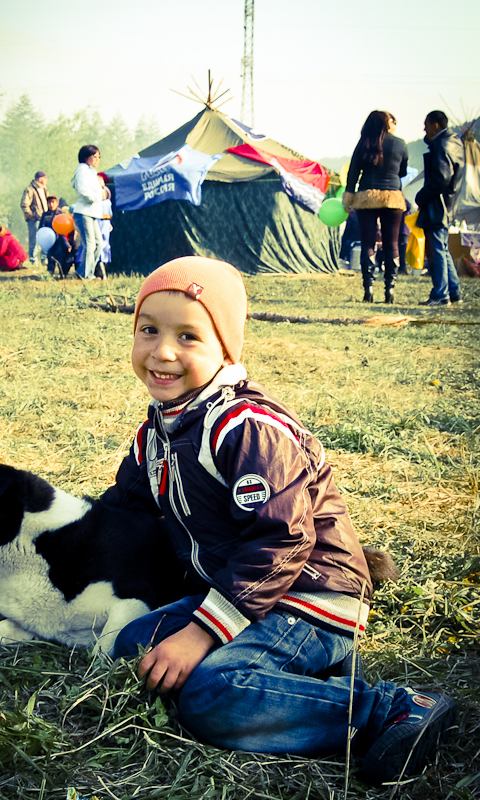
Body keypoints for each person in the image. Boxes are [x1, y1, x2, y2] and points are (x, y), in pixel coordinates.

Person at [104, 256, 458, 786]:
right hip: (240, 590)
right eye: (148, 330)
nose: (163, 351)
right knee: (132, 642)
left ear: (226, 348)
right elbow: (120, 511)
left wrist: (201, 633)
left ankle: (388, 709)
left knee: (211, 695)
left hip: (309, 594)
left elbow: (283, 538)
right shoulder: (157, 433)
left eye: (188, 336)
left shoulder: (246, 427)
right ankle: (309, 674)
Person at [343, 111, 408, 304]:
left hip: (367, 197)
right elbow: (402, 171)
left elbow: (353, 171)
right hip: (393, 197)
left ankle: (368, 290)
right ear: (386, 123)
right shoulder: (400, 144)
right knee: (392, 244)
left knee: (368, 244)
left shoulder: (364, 143)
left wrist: (348, 196)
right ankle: (389, 291)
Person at [415, 111, 465, 306]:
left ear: (435, 125)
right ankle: (453, 292)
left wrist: (421, 196)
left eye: (426, 125)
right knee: (442, 249)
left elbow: (441, 178)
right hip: (449, 203)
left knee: (436, 251)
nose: (424, 129)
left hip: (437, 205)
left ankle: (440, 294)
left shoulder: (441, 144)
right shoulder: (455, 142)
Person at [71, 145, 103, 280]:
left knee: (99, 244)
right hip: (84, 211)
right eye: (94, 157)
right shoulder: (82, 170)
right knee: (90, 244)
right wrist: (95, 198)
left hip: (93, 212)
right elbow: (82, 189)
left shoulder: (91, 171)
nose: (97, 160)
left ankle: (84, 271)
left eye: (99, 157)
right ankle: (86, 275)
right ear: (85, 157)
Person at [39, 196, 75, 277]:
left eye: (53, 202)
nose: (51, 204)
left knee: (60, 257)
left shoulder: (60, 214)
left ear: (57, 203)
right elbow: (41, 227)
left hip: (59, 240)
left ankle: (62, 274)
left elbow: (63, 231)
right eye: (49, 203)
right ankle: (50, 273)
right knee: (50, 257)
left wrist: (67, 244)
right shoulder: (45, 215)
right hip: (49, 241)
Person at [21, 171, 49, 264]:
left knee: (45, 239)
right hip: (35, 220)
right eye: (45, 178)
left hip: (45, 219)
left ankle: (44, 258)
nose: (46, 180)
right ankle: (33, 260)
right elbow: (24, 204)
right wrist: (32, 215)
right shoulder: (30, 190)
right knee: (34, 240)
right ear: (40, 179)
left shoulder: (44, 189)